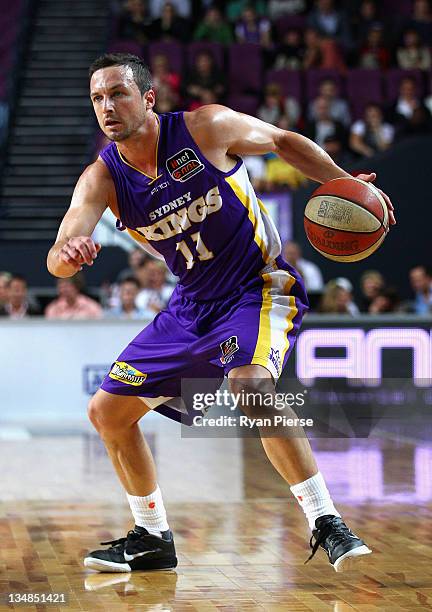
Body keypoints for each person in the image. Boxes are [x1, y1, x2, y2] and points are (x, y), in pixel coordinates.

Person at [46, 53, 395, 574]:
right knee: (106, 413)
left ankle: (326, 519)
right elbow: (58, 252)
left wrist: (348, 183)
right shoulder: (103, 178)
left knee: (250, 386)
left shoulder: (205, 126)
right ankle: (152, 536)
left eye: (118, 93)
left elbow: (282, 141)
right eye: (97, 98)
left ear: (147, 98)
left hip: (257, 287)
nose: (107, 107)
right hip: (191, 304)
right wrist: (68, 255)